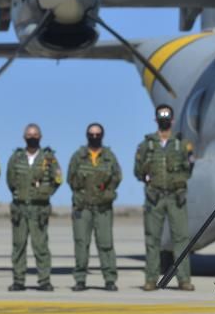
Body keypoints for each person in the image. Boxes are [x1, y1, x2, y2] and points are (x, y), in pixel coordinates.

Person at [134, 105, 195, 291]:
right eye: (161, 117)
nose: (164, 121)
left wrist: (179, 183)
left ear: (173, 120)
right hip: (155, 197)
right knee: (152, 239)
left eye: (167, 117)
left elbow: (189, 168)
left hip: (176, 197)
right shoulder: (147, 145)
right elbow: (137, 171)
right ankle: (151, 278)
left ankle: (184, 279)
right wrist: (147, 178)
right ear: (155, 120)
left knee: (181, 238)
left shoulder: (182, 144)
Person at [6, 124, 62, 292]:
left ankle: (44, 281)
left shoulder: (49, 158)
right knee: (18, 246)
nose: (32, 137)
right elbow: (10, 180)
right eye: (29, 134)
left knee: (41, 246)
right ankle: (18, 281)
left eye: (35, 134)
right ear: (24, 137)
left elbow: (57, 179)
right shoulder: (16, 158)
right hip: (20, 208)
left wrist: (45, 193)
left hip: (39, 209)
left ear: (41, 137)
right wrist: (20, 195)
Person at [67, 123, 122, 292]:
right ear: (86, 135)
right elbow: (71, 179)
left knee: (105, 243)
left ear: (103, 135)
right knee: (81, 243)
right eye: (91, 134)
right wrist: (81, 196)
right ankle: (80, 279)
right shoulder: (78, 156)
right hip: (83, 208)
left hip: (103, 208)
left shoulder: (109, 157)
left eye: (98, 134)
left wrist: (107, 194)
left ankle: (110, 279)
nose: (94, 137)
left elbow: (117, 177)